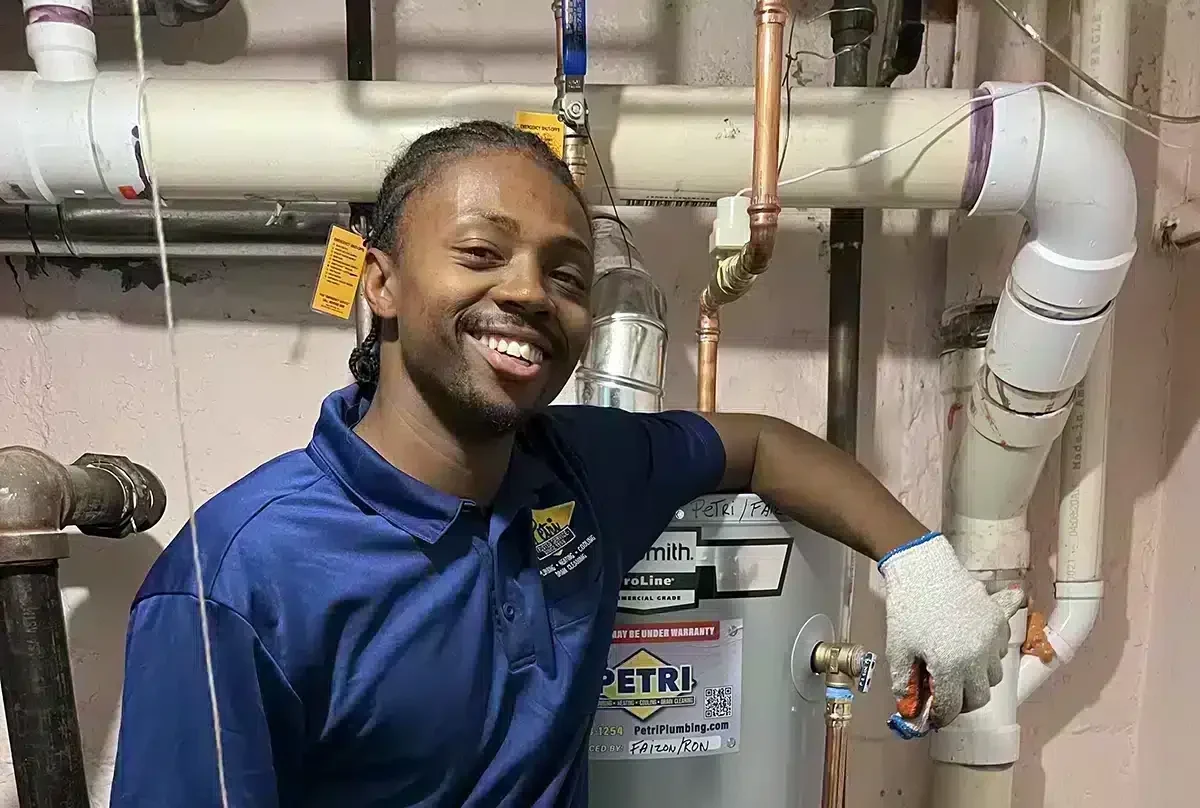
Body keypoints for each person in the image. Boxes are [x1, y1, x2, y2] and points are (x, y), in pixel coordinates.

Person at [110, 121, 1022, 807]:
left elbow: (759, 444)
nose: (527, 293)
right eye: (480, 253)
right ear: (380, 282)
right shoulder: (235, 586)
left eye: (567, 276)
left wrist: (918, 563)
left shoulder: (576, 471)